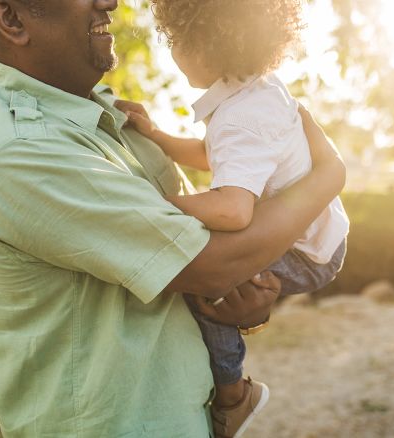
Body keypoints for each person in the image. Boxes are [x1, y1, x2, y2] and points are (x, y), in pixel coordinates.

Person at [0, 0, 345, 436]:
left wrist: (245, 300)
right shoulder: (22, 151)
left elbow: (212, 238)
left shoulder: (110, 115)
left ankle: (232, 393)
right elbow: (213, 263)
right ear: (10, 18)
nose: (110, 2)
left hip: (181, 417)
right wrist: (328, 178)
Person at [115, 0, 350, 436]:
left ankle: (233, 394)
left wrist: (158, 202)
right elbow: (216, 157)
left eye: (174, 40)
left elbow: (232, 209)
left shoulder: (241, 117)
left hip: (308, 252)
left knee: (210, 287)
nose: (172, 50)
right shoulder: (255, 91)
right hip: (324, 234)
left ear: (202, 44)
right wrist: (159, 137)